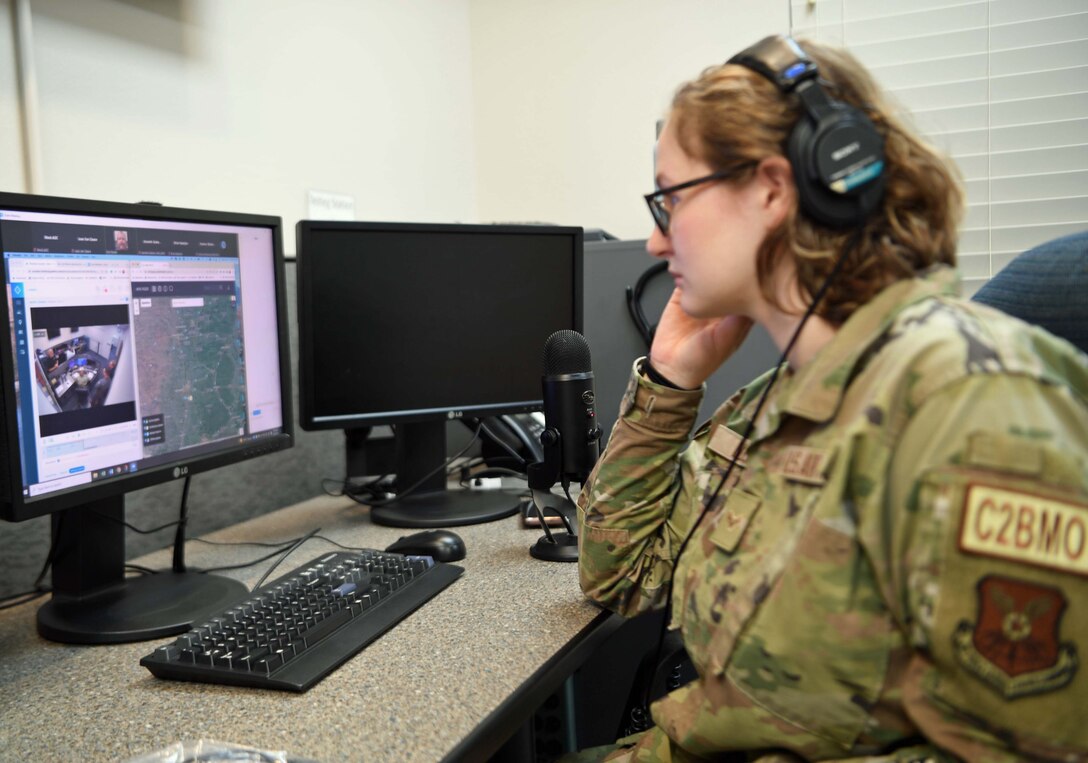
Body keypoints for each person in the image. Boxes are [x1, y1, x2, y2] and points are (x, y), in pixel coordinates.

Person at [573, 35, 1088, 762]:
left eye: (671, 199)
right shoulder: (778, 402)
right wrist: (669, 381)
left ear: (776, 190)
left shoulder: (969, 406)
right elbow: (618, 576)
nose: (656, 242)